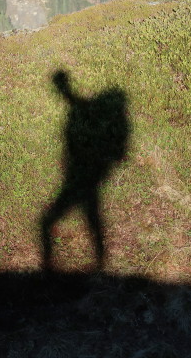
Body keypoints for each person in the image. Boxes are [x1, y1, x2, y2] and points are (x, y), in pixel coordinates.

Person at [41, 70, 130, 271]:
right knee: (91, 217)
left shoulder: (81, 113)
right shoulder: (83, 112)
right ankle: (100, 265)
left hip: (83, 176)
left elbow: (117, 151)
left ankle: (50, 269)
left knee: (53, 221)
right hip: (86, 175)